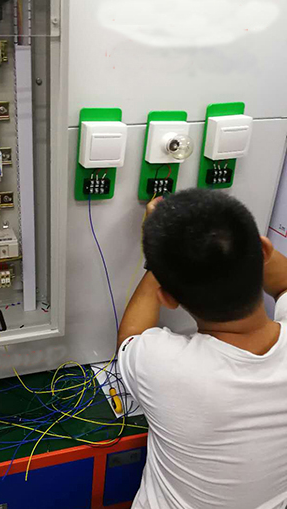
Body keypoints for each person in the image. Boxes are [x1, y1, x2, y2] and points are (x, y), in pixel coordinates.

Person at [118, 188, 287, 509]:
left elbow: (131, 337)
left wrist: (161, 250)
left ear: (167, 298)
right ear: (265, 249)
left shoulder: (163, 366)